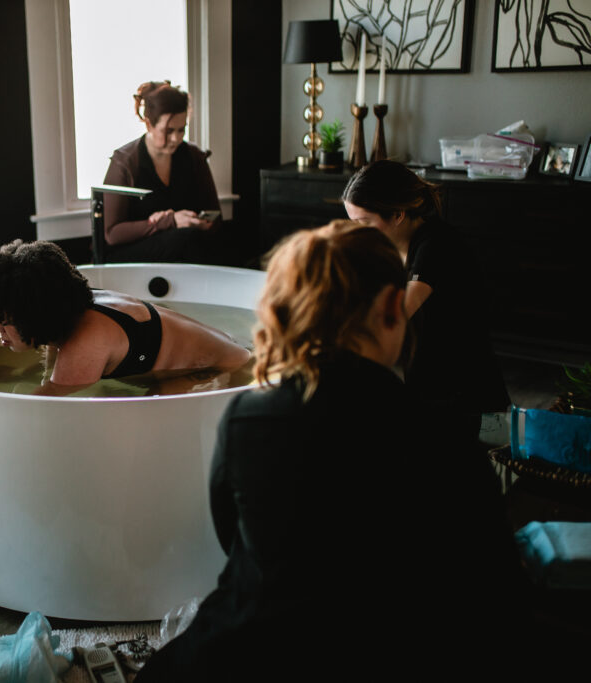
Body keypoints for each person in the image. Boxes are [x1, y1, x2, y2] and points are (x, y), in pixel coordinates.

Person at [134, 222, 528, 679]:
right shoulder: (441, 434)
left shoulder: (247, 417)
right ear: (390, 308)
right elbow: (497, 582)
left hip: (254, 641)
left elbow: (232, 536)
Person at [342, 159, 509, 443]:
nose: (358, 233)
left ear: (396, 214)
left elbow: (394, 315)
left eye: (364, 223)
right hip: (432, 391)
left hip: (472, 405)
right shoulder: (395, 246)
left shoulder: (437, 245)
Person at [0, 239, 251, 394]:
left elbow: (43, 406)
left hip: (225, 370)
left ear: (34, 314)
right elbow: (53, 375)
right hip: (231, 350)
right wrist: (23, 375)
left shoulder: (88, 339)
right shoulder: (66, 311)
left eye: (3, 318)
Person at [101, 80, 239, 265]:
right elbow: (112, 234)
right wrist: (169, 221)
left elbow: (214, 215)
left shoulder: (194, 156)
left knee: (217, 242)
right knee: (188, 239)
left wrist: (199, 221)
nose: (176, 138)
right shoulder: (125, 162)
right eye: (168, 131)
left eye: (181, 130)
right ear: (149, 125)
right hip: (130, 254)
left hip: (185, 246)